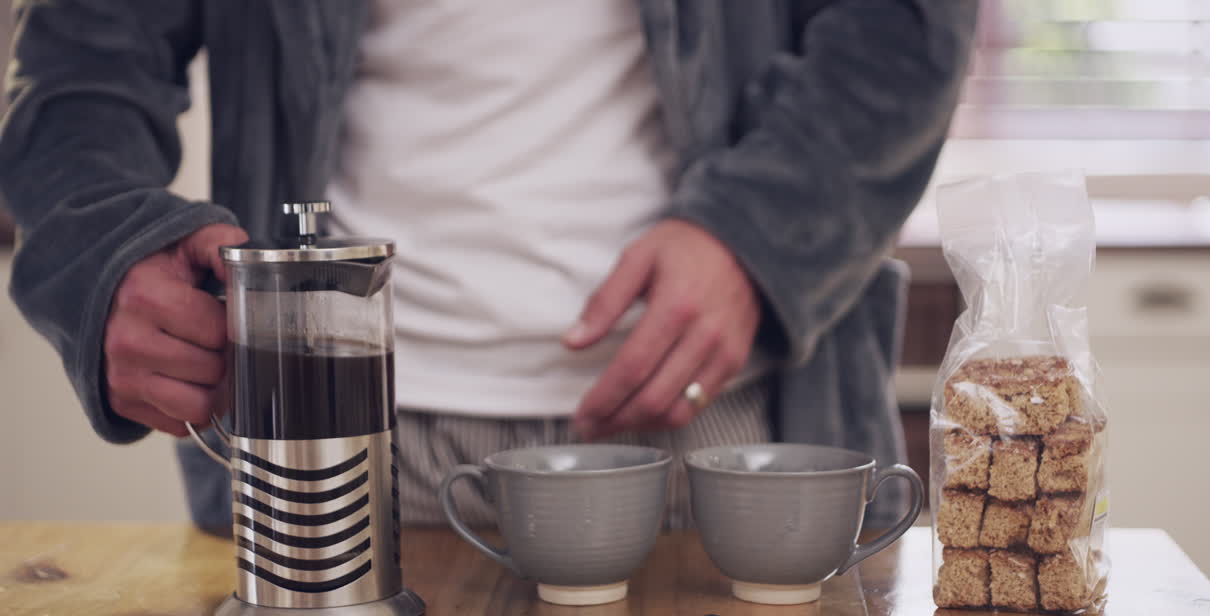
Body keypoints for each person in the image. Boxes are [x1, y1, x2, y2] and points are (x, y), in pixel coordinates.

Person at [1, 1, 977, 531]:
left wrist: (755, 234)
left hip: (734, 427)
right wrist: (106, 243)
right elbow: (79, 59)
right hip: (338, 456)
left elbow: (901, 27)